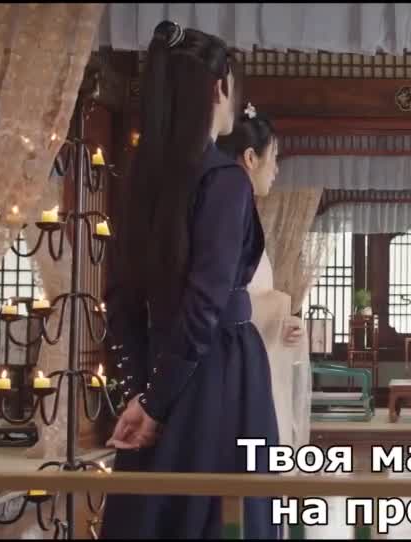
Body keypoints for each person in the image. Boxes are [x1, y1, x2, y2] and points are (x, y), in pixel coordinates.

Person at [100, 20, 279, 539]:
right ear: (220, 88)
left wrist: (142, 393)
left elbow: (121, 300)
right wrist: (155, 403)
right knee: (225, 513)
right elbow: (205, 304)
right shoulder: (224, 179)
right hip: (221, 368)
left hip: (159, 363)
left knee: (154, 513)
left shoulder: (140, 177)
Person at [216, 103, 311, 452]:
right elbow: (222, 301)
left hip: (253, 357)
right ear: (251, 158)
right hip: (232, 365)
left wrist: (284, 325)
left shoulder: (242, 214)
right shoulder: (225, 215)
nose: (277, 169)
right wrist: (274, 311)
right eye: (274, 158)